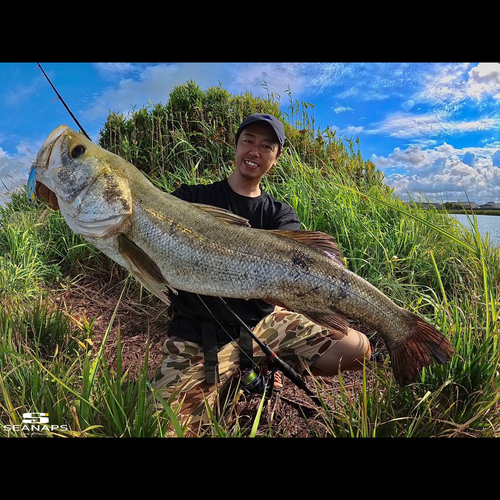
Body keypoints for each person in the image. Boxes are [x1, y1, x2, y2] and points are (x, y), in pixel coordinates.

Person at [35, 113, 372, 435]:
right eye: (248, 140)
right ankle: (229, 378)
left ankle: (268, 365)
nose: (255, 150)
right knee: (157, 429)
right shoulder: (189, 198)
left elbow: (300, 268)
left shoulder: (279, 213)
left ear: (276, 156)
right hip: (200, 336)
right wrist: (56, 193)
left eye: (266, 146)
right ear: (236, 146)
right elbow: (124, 241)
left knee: (358, 348)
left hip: (265, 325)